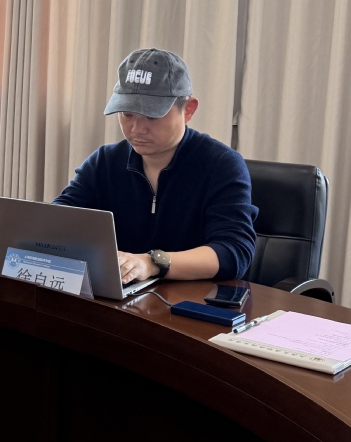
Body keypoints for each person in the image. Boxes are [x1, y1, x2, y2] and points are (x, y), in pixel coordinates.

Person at [53, 48, 256, 283]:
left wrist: (152, 263)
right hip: (120, 295)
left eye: (152, 116)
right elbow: (58, 221)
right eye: (127, 114)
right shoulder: (105, 162)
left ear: (188, 110)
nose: (137, 129)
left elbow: (233, 252)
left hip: (192, 298)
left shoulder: (221, 165)